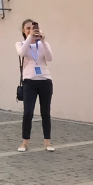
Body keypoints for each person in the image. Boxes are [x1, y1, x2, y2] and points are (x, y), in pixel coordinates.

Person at [16, 18, 54, 152]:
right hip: (29, 81)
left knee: (45, 112)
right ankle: (25, 142)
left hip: (45, 80)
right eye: (28, 28)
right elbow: (22, 53)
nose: (31, 30)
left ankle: (47, 142)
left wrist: (42, 41)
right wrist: (30, 37)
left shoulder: (44, 44)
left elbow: (49, 58)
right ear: (23, 30)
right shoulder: (20, 44)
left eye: (33, 28)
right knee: (28, 112)